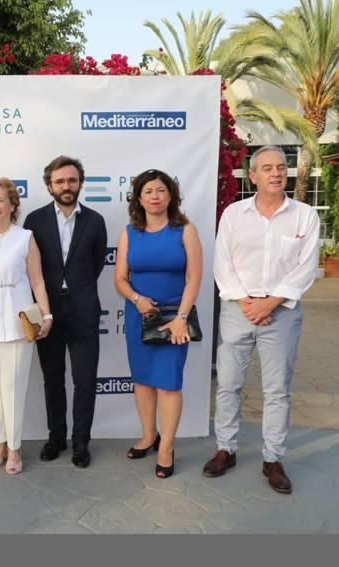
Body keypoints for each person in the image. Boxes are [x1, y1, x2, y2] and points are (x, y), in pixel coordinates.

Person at [204, 145, 320, 494]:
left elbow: (306, 268)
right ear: (252, 176)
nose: (275, 173)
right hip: (237, 310)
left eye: (281, 167)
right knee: (228, 383)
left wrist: (269, 303)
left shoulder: (304, 216)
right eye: (266, 168)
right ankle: (226, 449)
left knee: (277, 391)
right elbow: (221, 262)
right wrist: (247, 302)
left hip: (281, 313)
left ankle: (273, 458)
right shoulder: (233, 215)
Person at [114, 169, 202, 479]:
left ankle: (166, 447)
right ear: (138, 197)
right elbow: (120, 279)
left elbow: (194, 278)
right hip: (140, 317)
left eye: (161, 190)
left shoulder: (185, 230)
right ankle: (148, 436)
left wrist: (180, 319)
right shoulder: (129, 233)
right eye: (148, 190)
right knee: (142, 382)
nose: (155, 195)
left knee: (168, 384)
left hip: (174, 320)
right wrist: (137, 300)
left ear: (171, 196)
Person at [23, 155, 107, 468]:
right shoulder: (34, 220)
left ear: (80, 183)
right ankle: (56, 437)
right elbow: (33, 269)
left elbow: (96, 263)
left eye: (72, 180)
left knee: (85, 380)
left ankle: (81, 442)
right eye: (60, 181)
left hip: (84, 311)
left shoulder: (95, 221)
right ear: (49, 186)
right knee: (53, 379)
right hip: (48, 313)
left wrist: (77, 290)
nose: (66, 186)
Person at [0, 177, 52, 475]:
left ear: (12, 205)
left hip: (19, 324)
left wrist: (47, 315)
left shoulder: (25, 237)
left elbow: (38, 280)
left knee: (13, 387)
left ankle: (15, 447)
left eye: (0, 200)